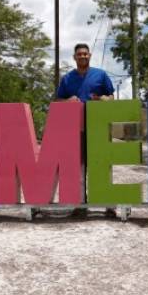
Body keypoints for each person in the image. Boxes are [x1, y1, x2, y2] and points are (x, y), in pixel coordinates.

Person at [56, 43, 116, 217]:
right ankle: (80, 204)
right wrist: (68, 101)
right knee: (79, 167)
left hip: (99, 127)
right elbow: (59, 101)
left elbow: (111, 96)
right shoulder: (67, 79)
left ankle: (109, 204)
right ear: (74, 57)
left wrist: (106, 98)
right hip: (77, 129)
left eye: (85, 54)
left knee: (103, 165)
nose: (82, 56)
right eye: (79, 54)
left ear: (89, 56)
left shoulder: (101, 75)